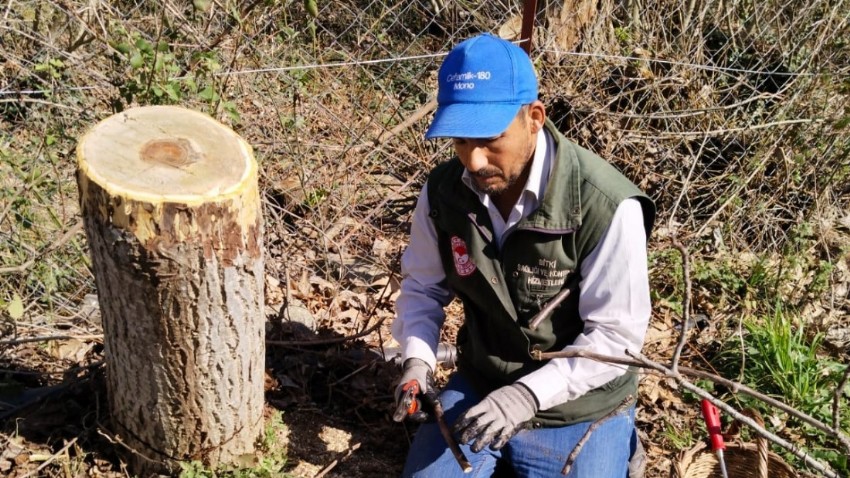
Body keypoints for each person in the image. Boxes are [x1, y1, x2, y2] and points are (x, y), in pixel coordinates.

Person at [391, 33, 655, 477]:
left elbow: (616, 338)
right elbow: (422, 288)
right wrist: (417, 360)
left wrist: (526, 396)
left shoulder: (605, 205)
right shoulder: (443, 193)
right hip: (481, 384)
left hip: (579, 404)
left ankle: (617, 441)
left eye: (490, 139)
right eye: (459, 141)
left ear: (534, 118)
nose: (474, 162)